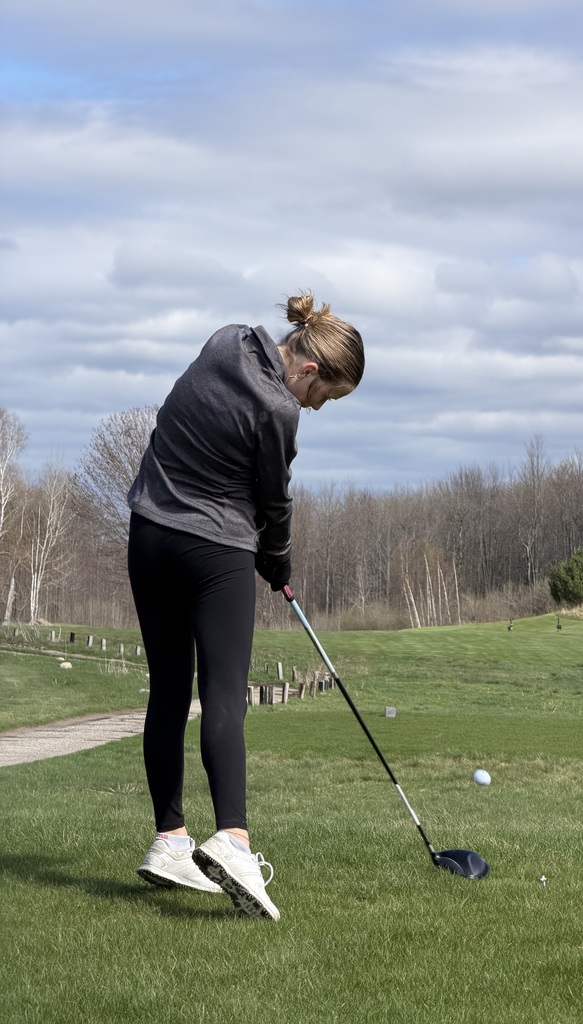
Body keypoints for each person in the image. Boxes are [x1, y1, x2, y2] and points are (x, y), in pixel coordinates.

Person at [127, 292, 364, 920]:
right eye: (325, 397)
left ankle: (170, 841)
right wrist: (277, 558)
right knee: (226, 695)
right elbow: (274, 501)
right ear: (309, 370)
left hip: (148, 533)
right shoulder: (279, 410)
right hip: (214, 549)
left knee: (169, 691)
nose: (317, 407)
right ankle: (233, 840)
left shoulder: (225, 338)